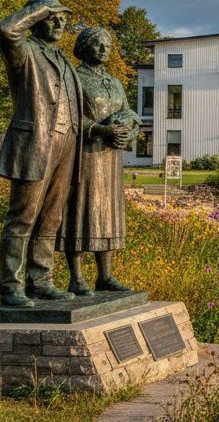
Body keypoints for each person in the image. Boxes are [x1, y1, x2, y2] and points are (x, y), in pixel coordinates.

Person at [0, 0, 82, 307]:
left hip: (66, 143)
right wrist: (39, 7)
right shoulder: (24, 51)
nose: (60, 23)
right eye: (52, 17)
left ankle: (41, 278)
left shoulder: (62, 58)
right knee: (23, 217)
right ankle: (11, 284)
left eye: (62, 18)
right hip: (36, 143)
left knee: (51, 218)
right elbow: (6, 30)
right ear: (37, 19)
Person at [61, 27, 138, 294]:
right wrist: (100, 129)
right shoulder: (74, 78)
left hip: (110, 159)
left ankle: (105, 275)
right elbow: (68, 115)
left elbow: (129, 112)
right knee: (81, 210)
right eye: (98, 45)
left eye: (107, 45)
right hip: (85, 156)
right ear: (84, 48)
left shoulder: (115, 83)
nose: (104, 50)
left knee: (108, 213)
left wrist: (126, 129)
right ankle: (77, 277)